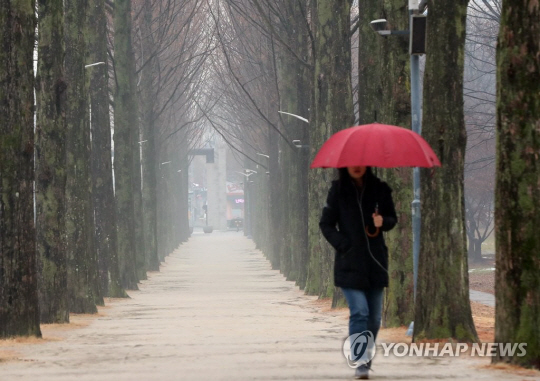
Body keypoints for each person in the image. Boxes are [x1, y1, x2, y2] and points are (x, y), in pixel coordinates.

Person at [319, 166, 397, 380]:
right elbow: (325, 224)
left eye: (361, 162)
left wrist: (383, 222)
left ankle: (366, 356)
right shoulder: (337, 191)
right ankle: (360, 360)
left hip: (375, 263)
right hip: (349, 264)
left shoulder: (380, 189)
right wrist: (344, 245)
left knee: (373, 319)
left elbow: (392, 218)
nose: (356, 166)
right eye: (352, 162)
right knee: (360, 312)